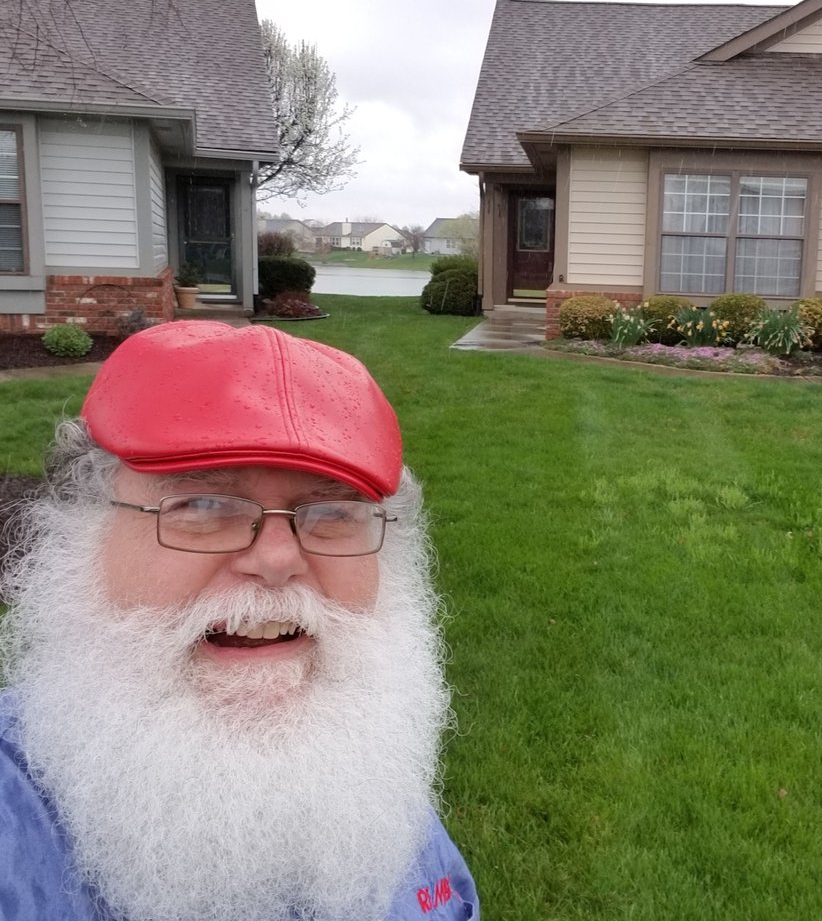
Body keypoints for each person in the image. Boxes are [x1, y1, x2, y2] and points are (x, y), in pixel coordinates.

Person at [0, 320, 479, 921]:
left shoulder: (369, 755)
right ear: (75, 536)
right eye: (201, 505)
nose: (277, 559)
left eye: (333, 511)